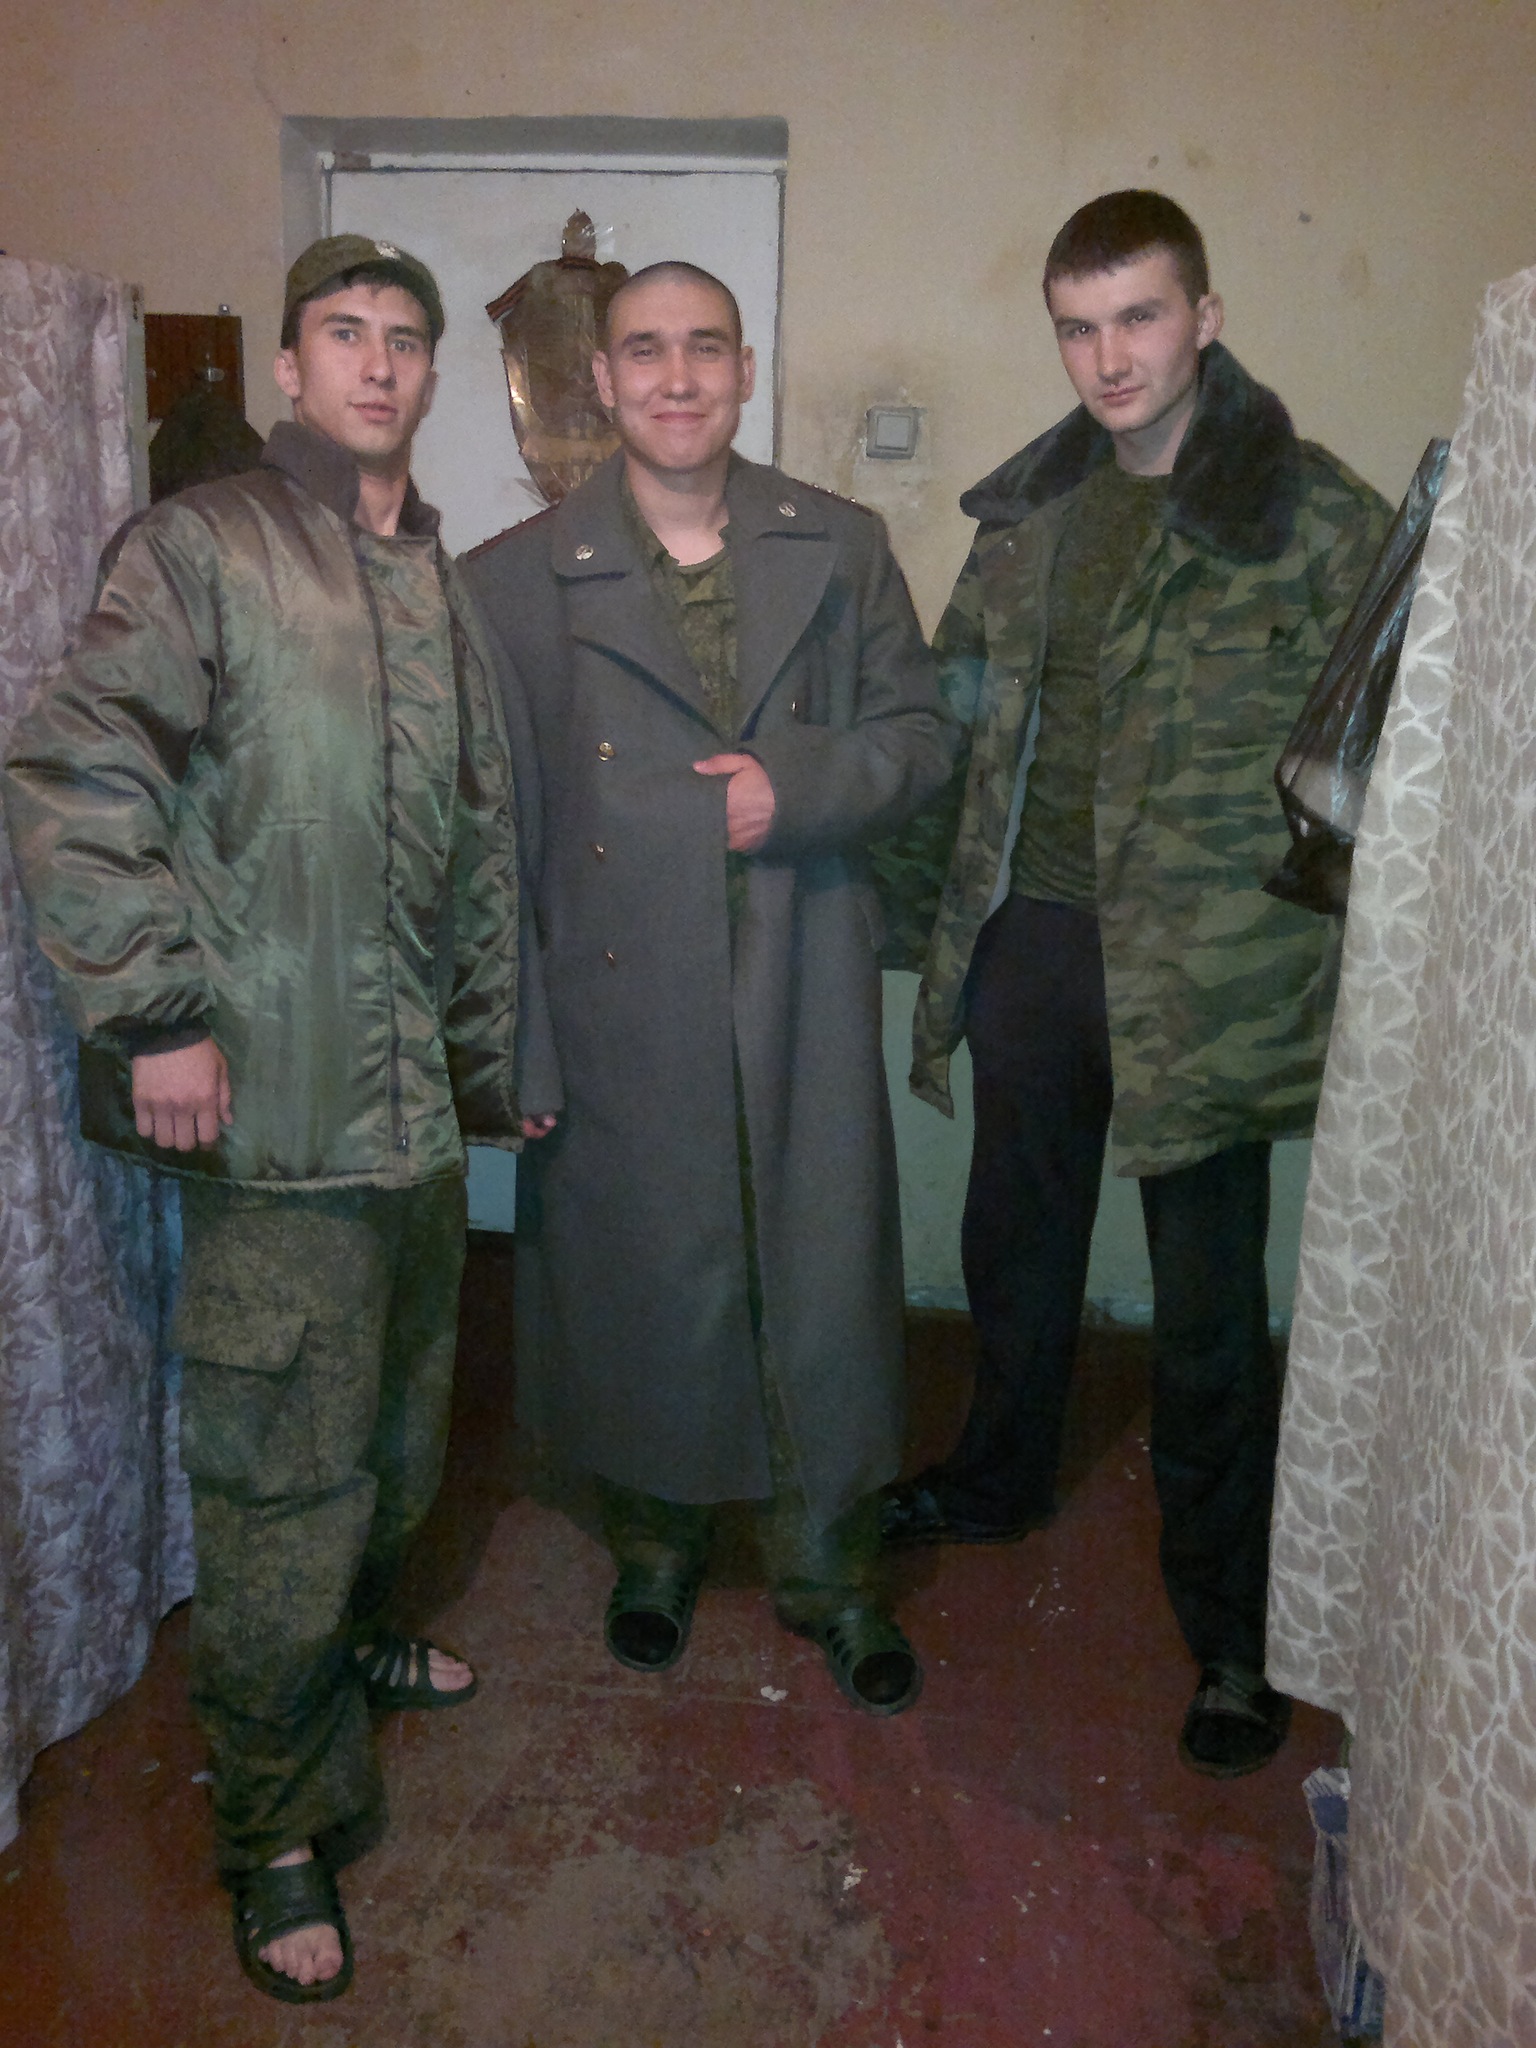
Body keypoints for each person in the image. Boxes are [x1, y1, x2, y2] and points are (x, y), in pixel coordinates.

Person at [4, 234, 526, 2001]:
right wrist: (152, 1010)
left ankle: (355, 1651)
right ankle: (278, 1824)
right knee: (280, 1482)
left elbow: (468, 850)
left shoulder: (432, 575)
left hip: (410, 1128)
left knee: (396, 1440)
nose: (378, 363)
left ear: (430, 374)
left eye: (405, 338)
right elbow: (78, 770)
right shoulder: (205, 545)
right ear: (290, 368)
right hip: (279, 1126)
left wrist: (487, 1066)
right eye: (343, 334)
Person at [876, 191, 1391, 1777]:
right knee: (1015, 1244)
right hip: (1035, 940)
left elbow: (1392, 755)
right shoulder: (1029, 516)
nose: (1109, 358)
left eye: (1140, 318)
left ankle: (1232, 1630)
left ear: (1205, 319)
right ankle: (997, 1478)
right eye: (1079, 328)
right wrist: (914, 926)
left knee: (1211, 1310)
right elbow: (955, 717)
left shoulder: (1312, 517)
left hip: (1206, 969)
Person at [462, 261, 955, 1718]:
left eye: (704, 349)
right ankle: (657, 1545)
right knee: (643, 1274)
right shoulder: (511, 580)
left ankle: (830, 1569)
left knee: (818, 1275)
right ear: (602, 381)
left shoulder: (842, 543)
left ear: (746, 368)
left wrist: (794, 789)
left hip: (801, 965)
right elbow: (494, 840)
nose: (676, 378)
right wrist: (515, 1044)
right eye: (644, 352)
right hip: (614, 995)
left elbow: (922, 738)